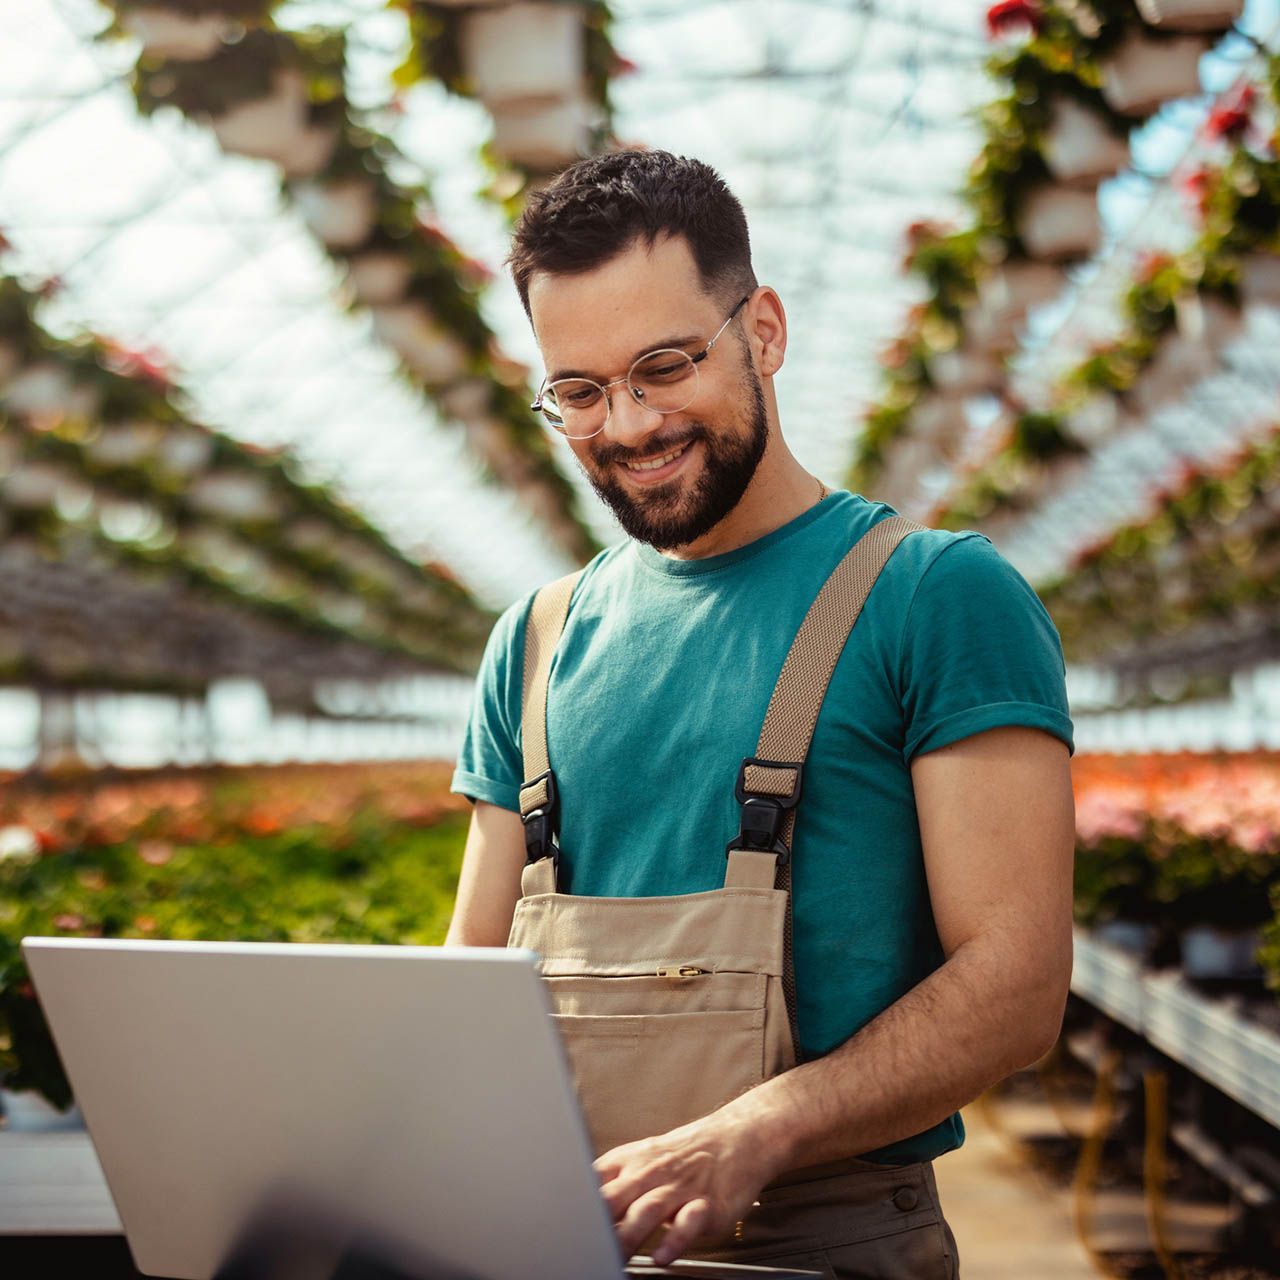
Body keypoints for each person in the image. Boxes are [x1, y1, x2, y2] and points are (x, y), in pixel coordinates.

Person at [446, 149, 1076, 1278]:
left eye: (664, 365)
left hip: (816, 1230)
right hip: (557, 1223)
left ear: (763, 331)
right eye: (579, 391)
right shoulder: (533, 638)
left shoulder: (931, 595)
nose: (627, 423)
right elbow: (471, 972)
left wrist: (754, 1129)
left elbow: (1017, 982)